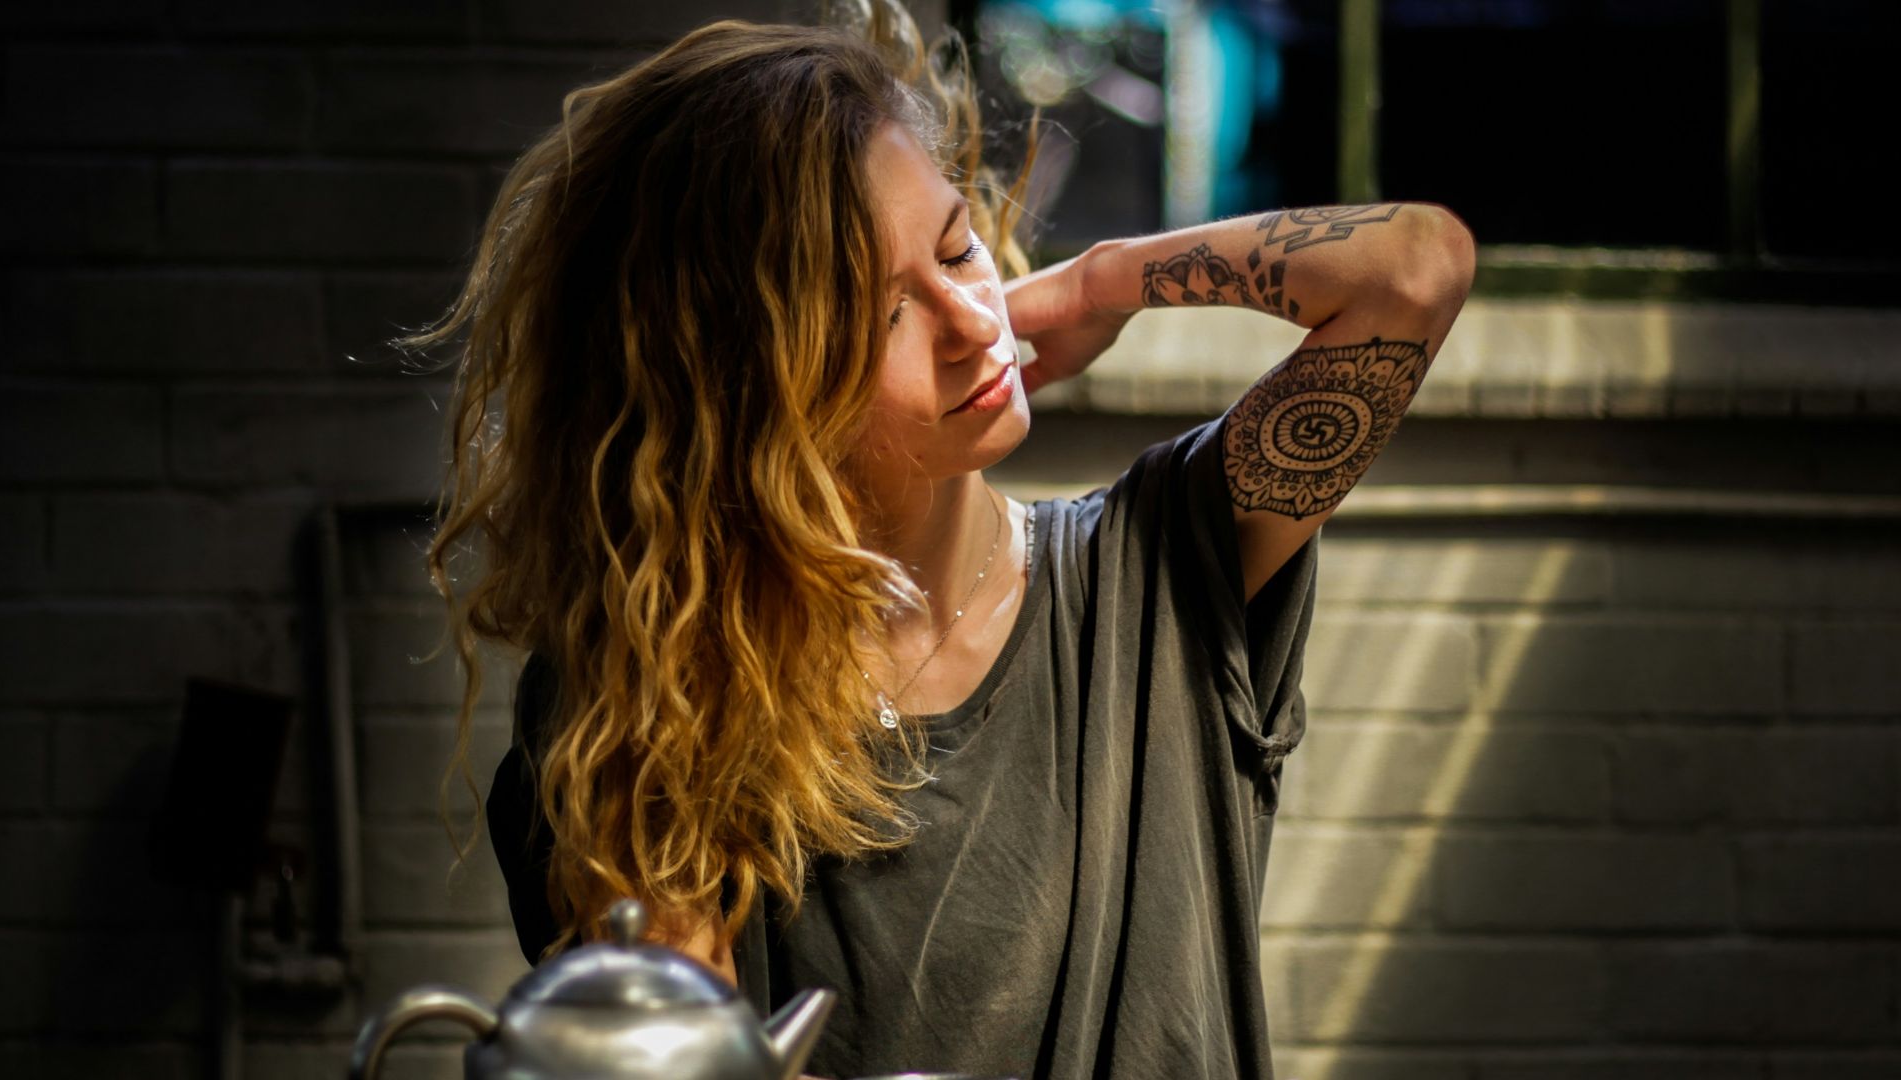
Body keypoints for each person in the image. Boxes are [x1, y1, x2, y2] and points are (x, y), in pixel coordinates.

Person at [402, 2, 1474, 1077]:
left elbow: (1413, 271)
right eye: (882, 317)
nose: (972, 322)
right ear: (746, 395)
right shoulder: (656, 697)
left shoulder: (1159, 571)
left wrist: (1104, 278)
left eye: (958, 249)